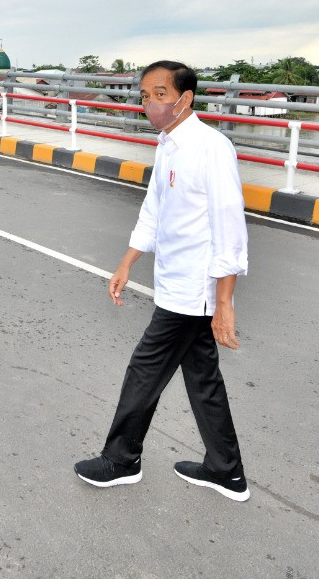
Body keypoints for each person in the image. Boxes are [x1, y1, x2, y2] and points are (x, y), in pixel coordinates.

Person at [74, 60, 251, 501]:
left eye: (158, 95)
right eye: (144, 95)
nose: (148, 103)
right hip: (174, 280)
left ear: (184, 99)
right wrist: (127, 262)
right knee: (202, 378)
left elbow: (230, 227)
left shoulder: (211, 147)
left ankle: (121, 459)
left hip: (194, 288)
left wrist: (224, 302)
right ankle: (225, 471)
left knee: (145, 370)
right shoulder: (167, 144)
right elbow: (154, 209)